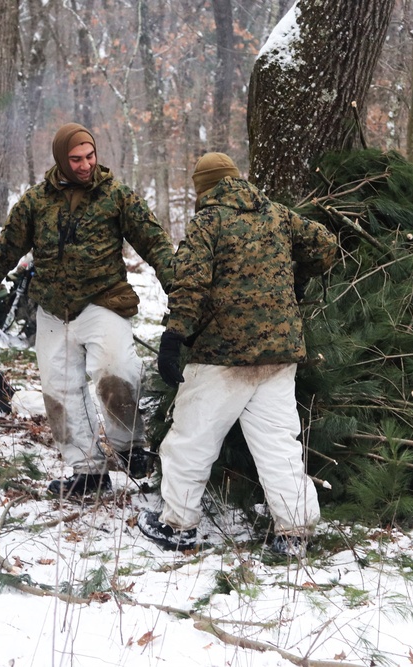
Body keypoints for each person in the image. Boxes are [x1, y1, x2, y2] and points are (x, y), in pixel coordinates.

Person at [0, 122, 174, 497]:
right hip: (53, 310)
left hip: (103, 301)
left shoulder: (118, 197)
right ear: (61, 159)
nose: (85, 164)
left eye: (90, 156)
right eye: (76, 159)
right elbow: (3, 253)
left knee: (116, 371)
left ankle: (131, 447)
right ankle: (88, 469)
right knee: (60, 390)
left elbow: (157, 247)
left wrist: (183, 296)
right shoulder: (35, 202)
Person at [137, 152, 338, 556]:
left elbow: (189, 283)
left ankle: (177, 525)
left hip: (223, 355)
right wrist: (293, 281)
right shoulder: (278, 214)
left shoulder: (209, 221)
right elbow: (326, 246)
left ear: (203, 189)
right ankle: (294, 532)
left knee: (191, 440)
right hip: (279, 354)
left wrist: (175, 336)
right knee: (278, 444)